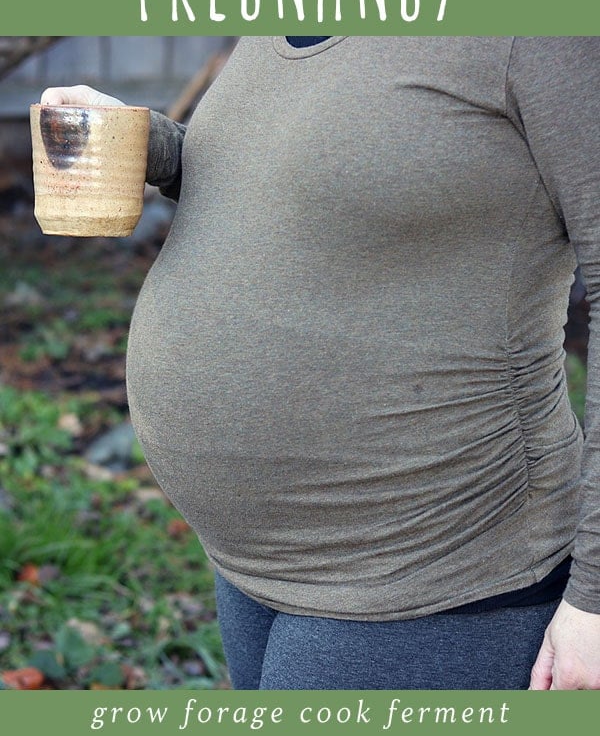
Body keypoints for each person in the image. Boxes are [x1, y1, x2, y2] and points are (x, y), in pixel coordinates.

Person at [41, 36, 600, 690]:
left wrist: (594, 596)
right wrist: (150, 144)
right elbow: (318, 178)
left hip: (428, 566)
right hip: (252, 565)